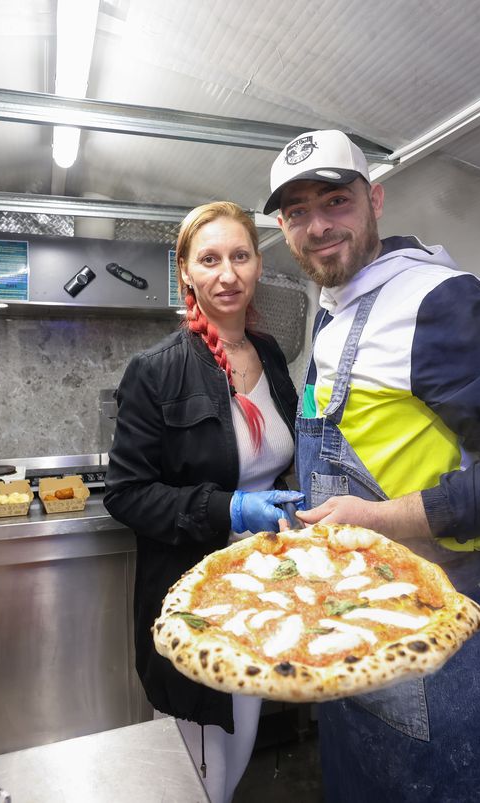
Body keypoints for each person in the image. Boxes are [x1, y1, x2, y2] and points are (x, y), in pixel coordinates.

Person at [264, 130, 480, 802]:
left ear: (374, 200)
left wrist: (378, 520)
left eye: (335, 201)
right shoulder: (333, 308)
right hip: (348, 625)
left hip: (432, 625)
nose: (317, 227)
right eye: (296, 212)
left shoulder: (442, 301)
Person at [103, 201, 302, 803]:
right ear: (185, 272)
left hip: (266, 591)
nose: (227, 274)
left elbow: (284, 451)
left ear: (258, 264)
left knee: (238, 746)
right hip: (200, 597)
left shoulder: (270, 356)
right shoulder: (156, 371)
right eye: (209, 260)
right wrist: (230, 509)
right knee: (203, 770)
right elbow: (127, 494)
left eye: (240, 256)